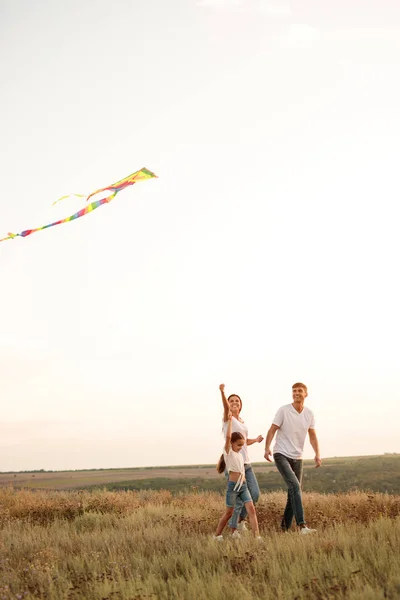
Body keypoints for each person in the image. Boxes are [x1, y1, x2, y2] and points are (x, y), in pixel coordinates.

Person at [264, 382, 322, 535]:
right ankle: (302, 526)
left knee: (293, 492)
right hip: (281, 453)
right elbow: (272, 430)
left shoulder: (309, 413)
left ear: (306, 394)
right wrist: (267, 448)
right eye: (294, 391)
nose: (296, 393)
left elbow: (313, 436)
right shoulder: (283, 410)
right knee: (295, 487)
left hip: (298, 457)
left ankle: (283, 529)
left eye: (300, 391)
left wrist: (317, 454)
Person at [219, 383, 264, 538]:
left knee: (255, 494)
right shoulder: (227, 419)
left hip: (247, 464)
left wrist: (256, 440)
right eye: (231, 401)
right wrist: (222, 392)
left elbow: (243, 442)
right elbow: (225, 407)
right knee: (238, 500)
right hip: (234, 466)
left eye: (237, 401)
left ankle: (240, 521)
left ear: (241, 405)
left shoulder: (242, 422)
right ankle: (234, 530)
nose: (234, 403)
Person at [214, 415, 262, 541]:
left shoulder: (240, 456)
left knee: (251, 509)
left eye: (242, 445)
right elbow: (229, 436)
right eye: (239, 445)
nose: (241, 447)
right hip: (233, 487)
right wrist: (229, 421)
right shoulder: (228, 453)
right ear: (231, 444)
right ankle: (217, 535)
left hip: (243, 486)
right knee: (229, 512)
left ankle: (257, 536)